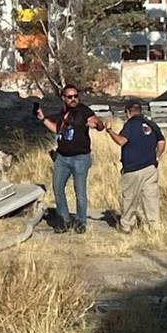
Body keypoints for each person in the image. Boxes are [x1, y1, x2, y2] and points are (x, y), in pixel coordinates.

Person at [35, 84, 105, 234]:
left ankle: (80, 221)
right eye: (70, 97)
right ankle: (64, 220)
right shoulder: (62, 113)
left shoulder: (83, 110)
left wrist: (97, 124)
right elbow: (57, 129)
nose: (73, 99)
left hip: (80, 158)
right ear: (63, 98)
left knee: (79, 192)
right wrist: (43, 119)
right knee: (57, 188)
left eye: (75, 96)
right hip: (62, 158)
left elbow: (98, 125)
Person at [106, 101, 166, 233]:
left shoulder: (130, 125)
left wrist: (109, 130)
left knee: (129, 198)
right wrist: (157, 156)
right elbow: (161, 141)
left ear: (127, 112)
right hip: (150, 168)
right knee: (151, 199)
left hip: (133, 169)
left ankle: (127, 226)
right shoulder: (151, 124)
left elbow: (122, 141)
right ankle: (154, 227)